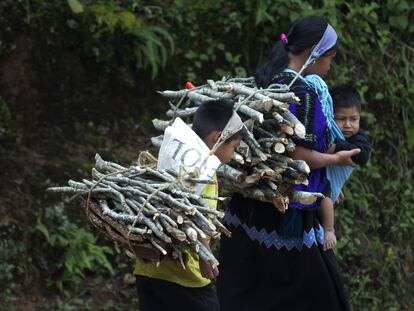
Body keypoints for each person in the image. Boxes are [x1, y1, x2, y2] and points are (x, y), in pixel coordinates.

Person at [217, 16, 358, 311]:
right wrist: (335, 160)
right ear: (312, 53)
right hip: (287, 215)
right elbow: (298, 154)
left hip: (250, 205)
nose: (331, 64)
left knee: (252, 293)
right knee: (317, 296)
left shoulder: (267, 78)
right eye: (330, 57)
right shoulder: (302, 93)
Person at [134, 99, 243, 311]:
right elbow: (191, 212)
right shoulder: (203, 172)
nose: (233, 155)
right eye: (234, 147)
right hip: (184, 276)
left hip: (147, 270)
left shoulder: (174, 155)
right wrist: (205, 255)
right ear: (218, 138)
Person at [318, 83, 372, 250]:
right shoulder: (327, 131)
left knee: (327, 193)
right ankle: (327, 229)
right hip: (322, 177)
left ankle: (329, 230)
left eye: (353, 119)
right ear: (330, 116)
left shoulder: (359, 137)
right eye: (340, 119)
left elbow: (361, 155)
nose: (348, 125)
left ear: (360, 118)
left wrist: (335, 148)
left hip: (331, 180)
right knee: (324, 194)